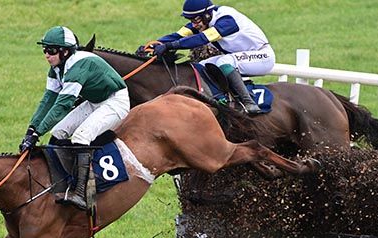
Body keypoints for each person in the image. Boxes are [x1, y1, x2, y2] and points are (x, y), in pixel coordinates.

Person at [19, 26, 130, 210]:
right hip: (95, 101)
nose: (46, 54)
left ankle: (81, 193)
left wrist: (37, 133)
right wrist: (31, 130)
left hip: (115, 101)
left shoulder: (78, 67)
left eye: (51, 50)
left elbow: (62, 106)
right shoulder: (56, 69)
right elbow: (47, 101)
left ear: (65, 51)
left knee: (81, 136)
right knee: (59, 131)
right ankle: (61, 181)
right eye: (44, 50)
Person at [152, 0, 275, 115]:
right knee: (202, 65)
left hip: (262, 57)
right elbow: (178, 35)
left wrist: (169, 46)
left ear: (206, 16)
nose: (194, 25)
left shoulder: (227, 20)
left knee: (224, 61)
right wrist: (154, 44)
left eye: (195, 20)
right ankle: (219, 97)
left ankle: (249, 103)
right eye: (191, 21)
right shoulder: (203, 22)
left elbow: (203, 38)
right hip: (241, 57)